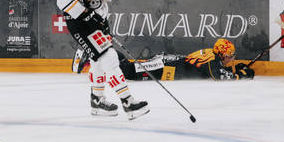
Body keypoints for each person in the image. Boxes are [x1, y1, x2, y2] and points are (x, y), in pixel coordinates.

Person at [56, 0, 149, 120]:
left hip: (100, 18)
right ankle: (128, 102)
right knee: (109, 56)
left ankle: (97, 101)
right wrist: (88, 16)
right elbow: (64, 1)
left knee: (97, 61)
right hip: (79, 22)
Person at [73, 38, 255, 81]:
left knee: (129, 68)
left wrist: (234, 69)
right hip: (165, 66)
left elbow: (217, 71)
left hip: (168, 64)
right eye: (229, 56)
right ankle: (91, 53)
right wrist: (241, 74)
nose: (231, 59)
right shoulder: (212, 60)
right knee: (129, 72)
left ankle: (94, 54)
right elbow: (217, 75)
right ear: (221, 53)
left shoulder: (212, 55)